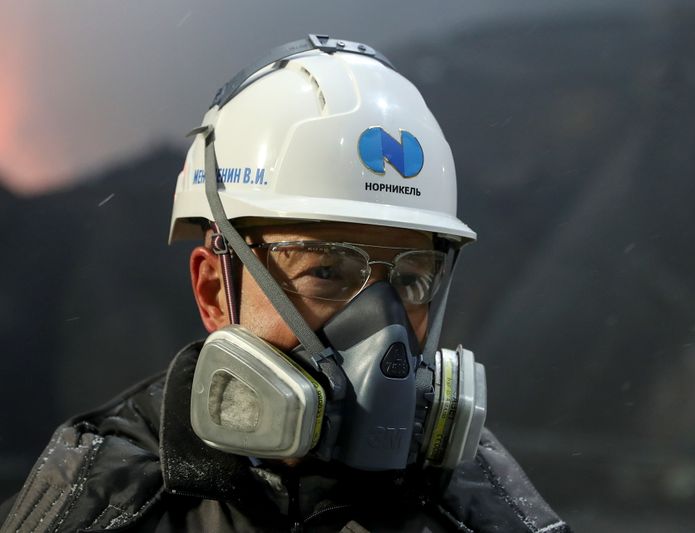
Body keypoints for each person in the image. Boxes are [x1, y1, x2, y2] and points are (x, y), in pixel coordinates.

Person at [0, 35, 570, 533]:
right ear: (214, 292)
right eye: (325, 272)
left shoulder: (487, 511)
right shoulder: (99, 503)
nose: (384, 324)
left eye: (412, 279)